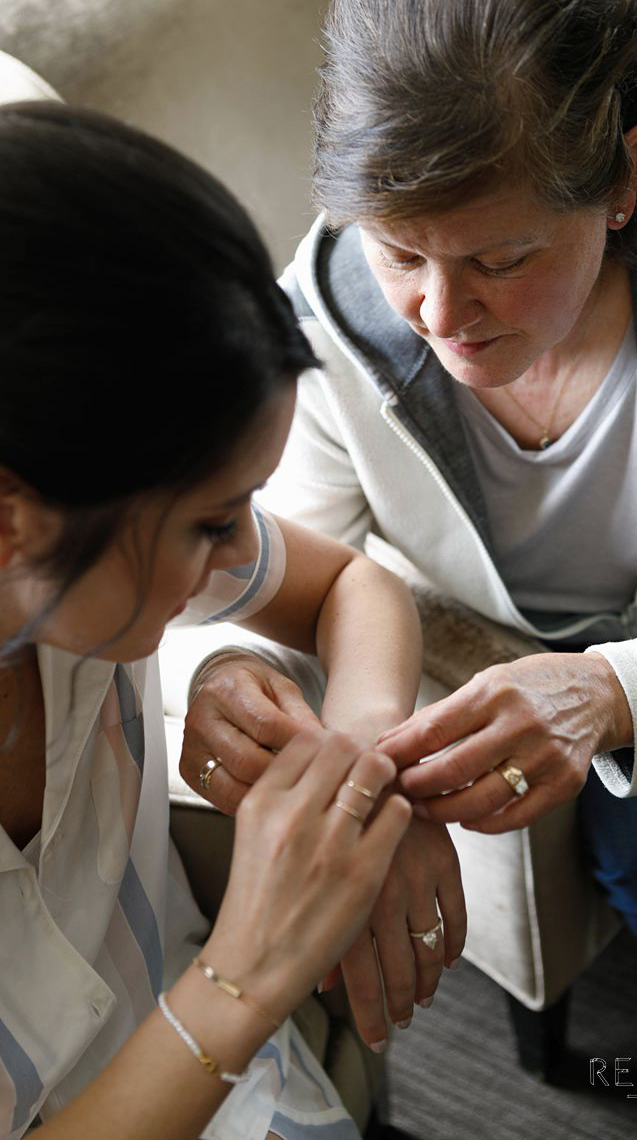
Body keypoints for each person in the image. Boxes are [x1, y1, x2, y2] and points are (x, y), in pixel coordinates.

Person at [182, 0, 637, 1137]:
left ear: (624, 178)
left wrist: (605, 692)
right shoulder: (326, 311)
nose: (439, 316)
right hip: (549, 657)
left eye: (500, 260)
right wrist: (237, 679)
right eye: (399, 251)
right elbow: (271, 559)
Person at [0, 99, 423, 1140]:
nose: (241, 556)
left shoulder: (76, 545)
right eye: (211, 522)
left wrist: (360, 766)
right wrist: (249, 967)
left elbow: (350, 589)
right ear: (11, 518)